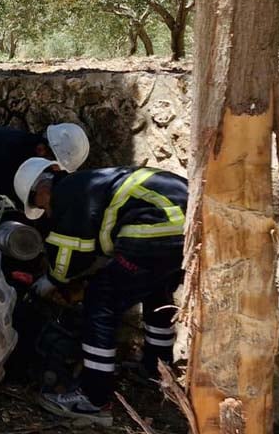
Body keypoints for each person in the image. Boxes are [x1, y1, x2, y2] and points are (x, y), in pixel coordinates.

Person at [13, 157, 187, 426]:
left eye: (39, 205)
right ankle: (156, 371)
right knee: (157, 294)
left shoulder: (66, 196)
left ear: (43, 190)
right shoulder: (86, 183)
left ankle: (93, 400)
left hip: (153, 227)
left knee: (101, 299)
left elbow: (67, 260)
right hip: (183, 224)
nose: (45, 213)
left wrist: (47, 284)